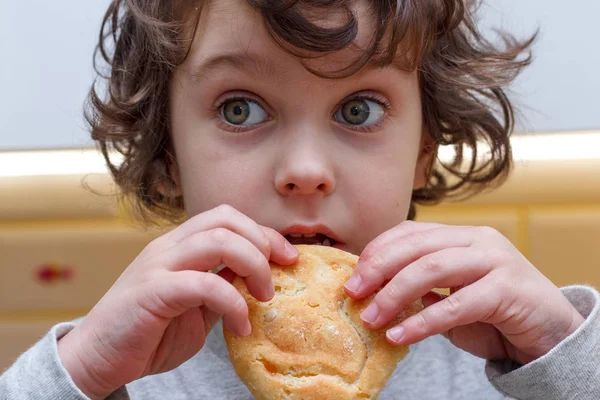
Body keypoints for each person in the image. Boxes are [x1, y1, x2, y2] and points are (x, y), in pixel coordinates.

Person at [2, 0, 599, 399]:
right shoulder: (119, 370)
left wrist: (563, 352)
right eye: (241, 109)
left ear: (423, 149)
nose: (306, 172)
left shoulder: (511, 363)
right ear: (167, 157)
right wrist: (79, 372)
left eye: (358, 109)